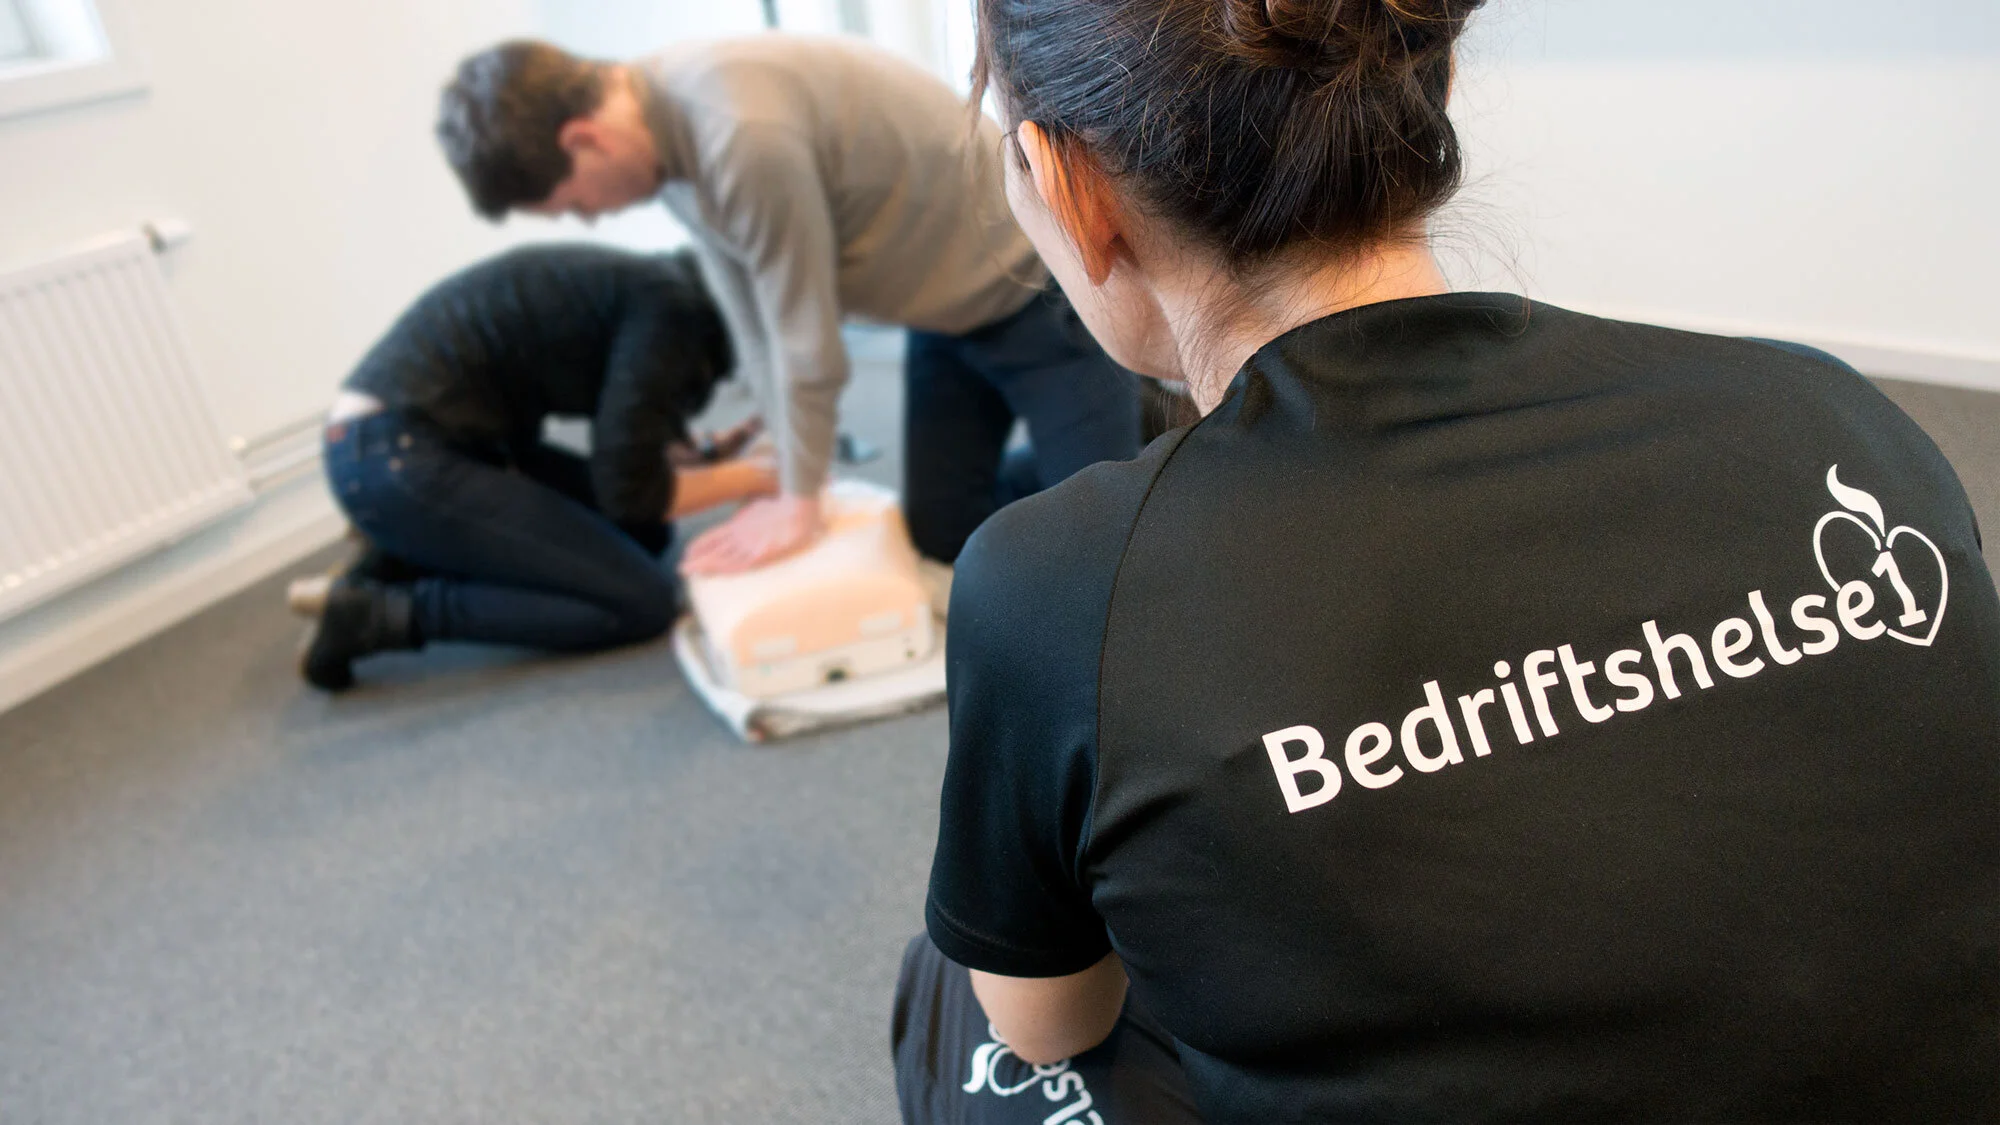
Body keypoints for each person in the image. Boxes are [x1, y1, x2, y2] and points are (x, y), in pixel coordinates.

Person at [902, 0, 2000, 1121]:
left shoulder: (1055, 585)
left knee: (963, 977)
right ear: (1429, 90)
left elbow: (1049, 1025)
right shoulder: (1824, 411)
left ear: (1069, 187)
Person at [433, 35, 1142, 577]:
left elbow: (804, 334)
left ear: (583, 138)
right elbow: (751, 318)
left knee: (1108, 541)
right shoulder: (664, 148)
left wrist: (799, 500)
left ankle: (1135, 428)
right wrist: (786, 462)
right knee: (940, 534)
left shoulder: (736, 131)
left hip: (1033, 292)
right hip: (940, 319)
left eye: (574, 203)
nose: (589, 217)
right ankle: (1101, 435)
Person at [300, 243, 769, 692]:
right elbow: (629, 490)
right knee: (642, 603)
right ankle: (373, 615)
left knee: (648, 533)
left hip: (424, 448)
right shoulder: (672, 312)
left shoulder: (665, 290)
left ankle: (403, 557)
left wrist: (708, 456)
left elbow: (630, 435)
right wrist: (766, 475)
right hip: (397, 458)